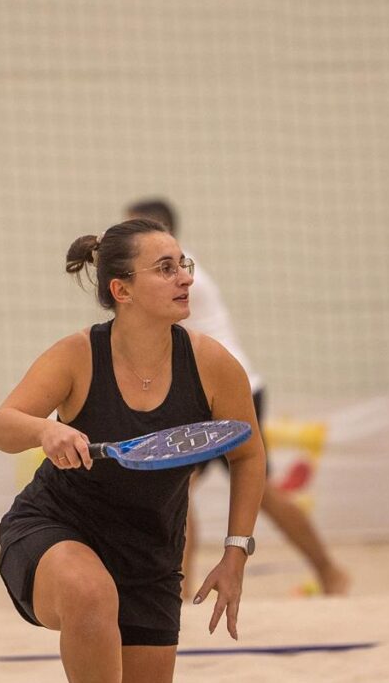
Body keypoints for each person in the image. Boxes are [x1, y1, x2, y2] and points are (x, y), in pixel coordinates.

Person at [0, 219, 266, 683]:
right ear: (122, 290)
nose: (185, 278)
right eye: (165, 268)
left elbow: (249, 454)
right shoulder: (77, 355)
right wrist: (45, 430)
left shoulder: (212, 364)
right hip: (57, 528)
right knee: (91, 595)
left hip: (150, 555)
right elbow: (1, 426)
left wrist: (235, 554)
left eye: (183, 265)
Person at [125, 200, 350, 597]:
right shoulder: (173, 270)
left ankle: (177, 592)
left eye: (131, 230)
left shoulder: (172, 277)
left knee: (184, 489)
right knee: (194, 489)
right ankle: (328, 572)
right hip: (220, 384)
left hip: (224, 387)